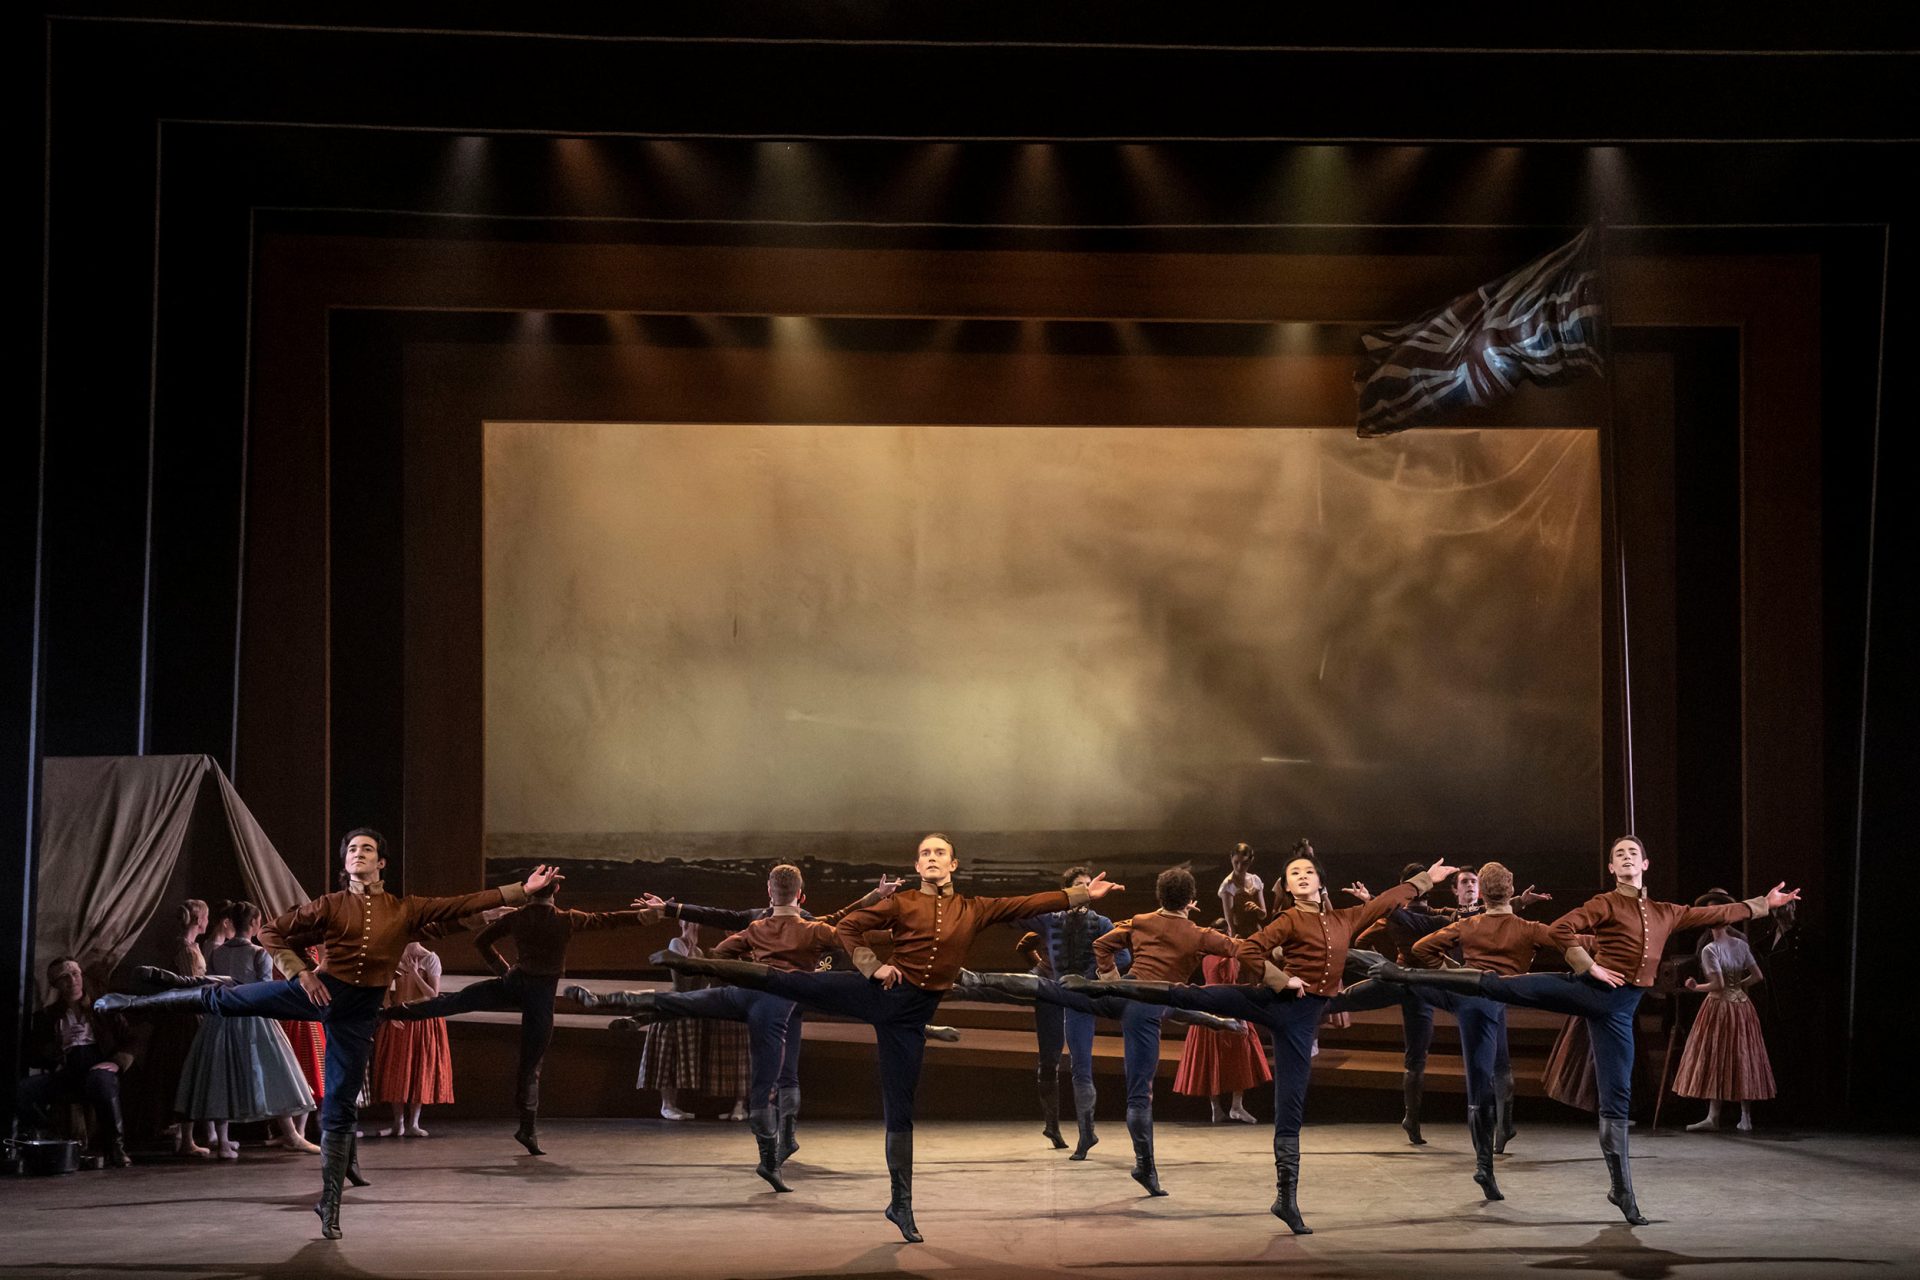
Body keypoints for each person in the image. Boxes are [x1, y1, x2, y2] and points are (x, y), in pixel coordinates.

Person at [650, 833, 1122, 1242]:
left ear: (953, 864)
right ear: (917, 866)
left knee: (900, 1113)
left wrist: (1083, 893)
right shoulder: (900, 902)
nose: (932, 858)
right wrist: (875, 966)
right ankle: (692, 964)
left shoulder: (975, 909)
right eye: (925, 853)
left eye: (941, 852)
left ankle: (901, 1203)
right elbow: (850, 927)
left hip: (908, 1021)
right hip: (874, 992)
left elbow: (1031, 902)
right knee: (790, 982)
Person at [95, 827, 558, 1239]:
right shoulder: (329, 905)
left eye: (367, 848)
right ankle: (136, 1001)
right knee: (228, 1000)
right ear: (345, 863)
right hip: (315, 992)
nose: (358, 853)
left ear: (381, 863)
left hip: (357, 1014)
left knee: (339, 1103)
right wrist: (302, 974)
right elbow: (273, 934)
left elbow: (462, 904)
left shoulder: (405, 909)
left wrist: (521, 889)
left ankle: (330, 1202)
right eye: (352, 849)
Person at [1372, 834, 1800, 1225]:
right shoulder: (1605, 903)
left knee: (1616, 1099)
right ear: (1613, 869)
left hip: (1618, 1009)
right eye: (1619, 855)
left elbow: (1715, 911)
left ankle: (1622, 1190)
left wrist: (1762, 903)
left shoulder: (1669, 912)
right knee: (1499, 986)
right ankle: (1403, 977)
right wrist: (1590, 965)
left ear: (1646, 864)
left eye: (1633, 852)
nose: (1627, 857)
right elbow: (1562, 929)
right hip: (1584, 989)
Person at [1076, 848, 1457, 1234]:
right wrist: (1281, 978)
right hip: (1270, 1000)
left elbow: (1385, 902)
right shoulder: (1288, 918)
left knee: (1290, 1106)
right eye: (1295, 873)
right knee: (1192, 995)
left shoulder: (1347, 918)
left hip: (1301, 1019)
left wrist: (1425, 880)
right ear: (1288, 887)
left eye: (1309, 871)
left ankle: (1285, 1198)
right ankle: (1083, 990)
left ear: (1321, 881)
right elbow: (1251, 948)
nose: (1303, 876)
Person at [572, 865, 905, 1191]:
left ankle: (606, 1000)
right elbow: (848, 933)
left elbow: (722, 951)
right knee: (764, 1087)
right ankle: (768, 1162)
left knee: (680, 1002)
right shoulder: (813, 928)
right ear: (801, 897)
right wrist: (884, 950)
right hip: (775, 1003)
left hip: (740, 994)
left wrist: (737, 961)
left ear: (769, 892)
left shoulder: (756, 927)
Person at [968, 866, 1244, 1195]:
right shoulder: (1195, 933)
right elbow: (1237, 951)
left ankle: (977, 979)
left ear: (1160, 896)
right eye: (1079, 888)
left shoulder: (1134, 921)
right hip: (1135, 998)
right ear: (1191, 900)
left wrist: (1106, 976)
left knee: (1052, 997)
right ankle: (1144, 1165)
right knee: (1137, 1092)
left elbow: (1109, 947)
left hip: (1112, 993)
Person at [380, 876, 648, 1155]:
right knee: (531, 1065)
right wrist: (643, 917)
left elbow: (482, 942)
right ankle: (527, 1128)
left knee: (453, 1002)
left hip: (513, 983)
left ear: (531, 893)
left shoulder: (518, 917)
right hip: (540, 995)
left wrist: (502, 970)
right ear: (556, 890)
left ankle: (390, 1013)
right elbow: (608, 919)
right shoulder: (566, 918)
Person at [1404, 862, 1569, 1200]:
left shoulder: (1472, 923)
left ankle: (1493, 1146)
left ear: (1483, 890)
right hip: (1491, 997)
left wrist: (1454, 971)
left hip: (1473, 996)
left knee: (1484, 1074)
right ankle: (1489, 1155)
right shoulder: (1521, 926)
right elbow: (1565, 939)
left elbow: (1421, 948)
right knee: (1491, 1069)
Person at [176, 901, 318, 1158]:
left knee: (221, 1077)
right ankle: (291, 1134)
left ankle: (223, 1142)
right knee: (275, 1071)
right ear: (254, 924)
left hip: (222, 1019)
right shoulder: (258, 953)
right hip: (253, 1017)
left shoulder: (217, 952)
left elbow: (216, 983)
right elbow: (264, 990)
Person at [17, 957, 135, 1168]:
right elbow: (34, 1055)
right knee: (23, 1090)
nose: (72, 980)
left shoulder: (104, 1008)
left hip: (99, 1068)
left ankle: (116, 1147)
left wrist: (117, 1063)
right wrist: (57, 1047)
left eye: (75, 973)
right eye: (64, 977)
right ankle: (52, 1134)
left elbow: (131, 1040)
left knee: (100, 1080)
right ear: (55, 984)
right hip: (68, 1071)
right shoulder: (47, 1016)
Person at [1674, 893, 1776, 1132]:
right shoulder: (1740, 944)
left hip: (1719, 1007)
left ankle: (1714, 1115)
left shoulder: (1710, 949)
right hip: (1741, 1005)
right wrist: (1739, 986)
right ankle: (1745, 1116)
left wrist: (1694, 987)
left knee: (1716, 1056)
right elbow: (1758, 976)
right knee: (1743, 1056)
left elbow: (1718, 985)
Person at [1171, 924, 1269, 1124]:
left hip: (1206, 1004)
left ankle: (1216, 1108)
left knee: (1209, 1057)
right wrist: (1241, 1016)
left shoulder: (1205, 956)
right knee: (1240, 1057)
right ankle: (1236, 1105)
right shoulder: (1228, 959)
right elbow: (1230, 984)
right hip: (1226, 1005)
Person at [370, 941, 453, 1138]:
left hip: (422, 1019)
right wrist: (390, 1010)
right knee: (396, 1069)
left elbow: (433, 995)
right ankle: (398, 1123)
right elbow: (383, 988)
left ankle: (413, 1123)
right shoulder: (394, 955)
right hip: (399, 1017)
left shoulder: (430, 958)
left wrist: (415, 972)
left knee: (419, 1068)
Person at [1013, 929, 1069, 1149]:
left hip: (1070, 987)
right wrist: (1041, 969)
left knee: (1053, 1055)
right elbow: (1024, 946)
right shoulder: (1049, 925)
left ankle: (1053, 1126)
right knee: (1050, 1057)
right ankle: (1052, 1125)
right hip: (1048, 989)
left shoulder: (1090, 924)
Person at [1218, 843, 1266, 936]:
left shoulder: (1255, 880)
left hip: (1256, 931)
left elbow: (1263, 915)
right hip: (1239, 933)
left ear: (1251, 860)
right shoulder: (1228, 885)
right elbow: (1230, 923)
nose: (1239, 867)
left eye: (1244, 863)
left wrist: (1257, 909)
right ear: (1231, 858)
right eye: (1236, 862)